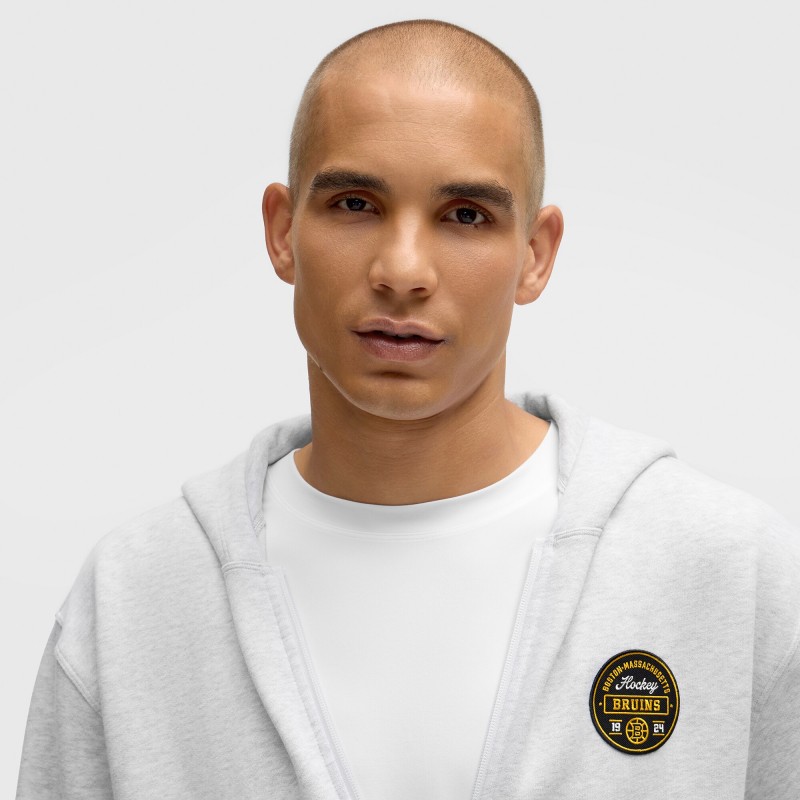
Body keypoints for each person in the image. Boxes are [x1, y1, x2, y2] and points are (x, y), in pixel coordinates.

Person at [15, 18, 800, 800]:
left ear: (535, 254)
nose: (402, 270)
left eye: (466, 216)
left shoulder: (729, 572)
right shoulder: (134, 598)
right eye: (356, 203)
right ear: (283, 232)